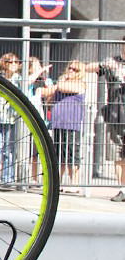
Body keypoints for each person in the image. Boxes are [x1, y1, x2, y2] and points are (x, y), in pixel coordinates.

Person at [86, 37, 125, 202]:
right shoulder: (114, 61)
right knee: (117, 154)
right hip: (116, 114)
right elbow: (88, 68)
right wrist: (104, 65)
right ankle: (122, 189)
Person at [42, 60, 87, 191]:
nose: (71, 71)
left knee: (72, 155)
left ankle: (74, 183)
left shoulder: (80, 84)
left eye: (75, 69)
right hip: (58, 124)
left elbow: (61, 87)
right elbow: (47, 95)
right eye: (70, 68)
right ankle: (58, 182)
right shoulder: (61, 84)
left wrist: (58, 84)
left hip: (72, 125)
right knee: (58, 154)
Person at [0, 53, 21, 183]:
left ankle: (8, 178)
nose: (13, 64)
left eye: (16, 62)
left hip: (12, 118)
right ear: (4, 64)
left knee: (9, 150)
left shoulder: (19, 80)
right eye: (10, 62)